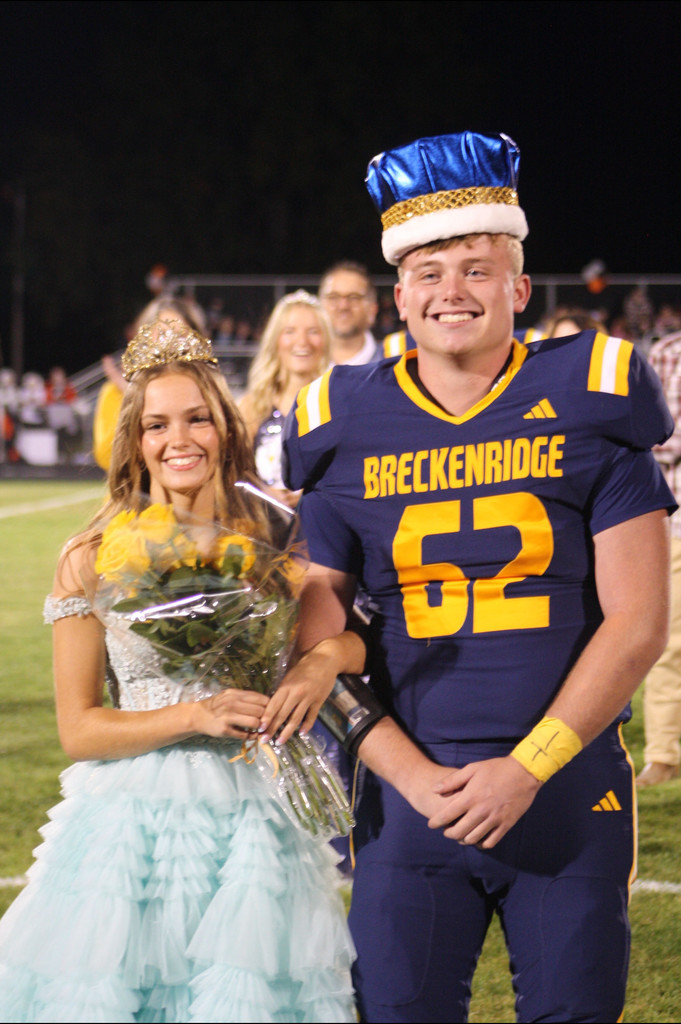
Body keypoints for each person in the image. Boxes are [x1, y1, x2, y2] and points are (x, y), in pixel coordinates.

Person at [269, 131, 675, 1023]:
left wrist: (526, 768)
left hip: (564, 786)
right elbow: (316, 626)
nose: (451, 289)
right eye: (428, 270)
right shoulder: (341, 415)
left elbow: (640, 621)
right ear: (399, 296)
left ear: (519, 289)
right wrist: (408, 775)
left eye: (476, 267)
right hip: (409, 795)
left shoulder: (592, 391)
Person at [0, 316, 357, 1023]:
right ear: (135, 441)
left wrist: (316, 669)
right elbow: (79, 729)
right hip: (127, 826)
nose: (179, 440)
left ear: (226, 428)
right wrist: (195, 715)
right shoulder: (90, 556)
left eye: (197, 419)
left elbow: (345, 643)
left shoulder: (274, 535)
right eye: (158, 425)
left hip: (254, 813)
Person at [239, 290, 332, 510]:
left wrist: (313, 493)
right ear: (275, 340)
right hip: (264, 526)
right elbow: (235, 468)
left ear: (326, 340)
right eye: (289, 331)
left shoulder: (337, 403)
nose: (302, 341)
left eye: (313, 331)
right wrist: (263, 492)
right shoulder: (251, 406)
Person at [93, 297, 208, 472]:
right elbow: (107, 457)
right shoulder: (115, 392)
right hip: (138, 497)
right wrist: (133, 396)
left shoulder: (210, 392)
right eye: (163, 333)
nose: (171, 342)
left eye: (180, 334)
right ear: (144, 338)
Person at [637, 328, 681, 787]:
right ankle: (664, 754)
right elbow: (656, 436)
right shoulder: (670, 353)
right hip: (678, 519)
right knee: (670, 644)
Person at [318, 261, 380, 365]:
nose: (343, 306)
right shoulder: (301, 365)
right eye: (333, 297)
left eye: (354, 298)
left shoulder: (393, 365)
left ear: (372, 310)